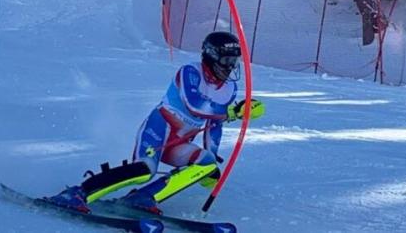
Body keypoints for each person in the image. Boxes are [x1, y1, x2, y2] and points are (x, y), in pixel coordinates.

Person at [46, 31, 265, 214]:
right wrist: (231, 112)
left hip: (181, 139)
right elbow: (195, 105)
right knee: (144, 170)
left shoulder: (229, 88)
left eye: (234, 61)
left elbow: (213, 124)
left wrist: (212, 152)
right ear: (211, 56)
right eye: (226, 60)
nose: (229, 67)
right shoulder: (190, 72)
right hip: (159, 129)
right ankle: (77, 193)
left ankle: (143, 197)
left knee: (206, 163)